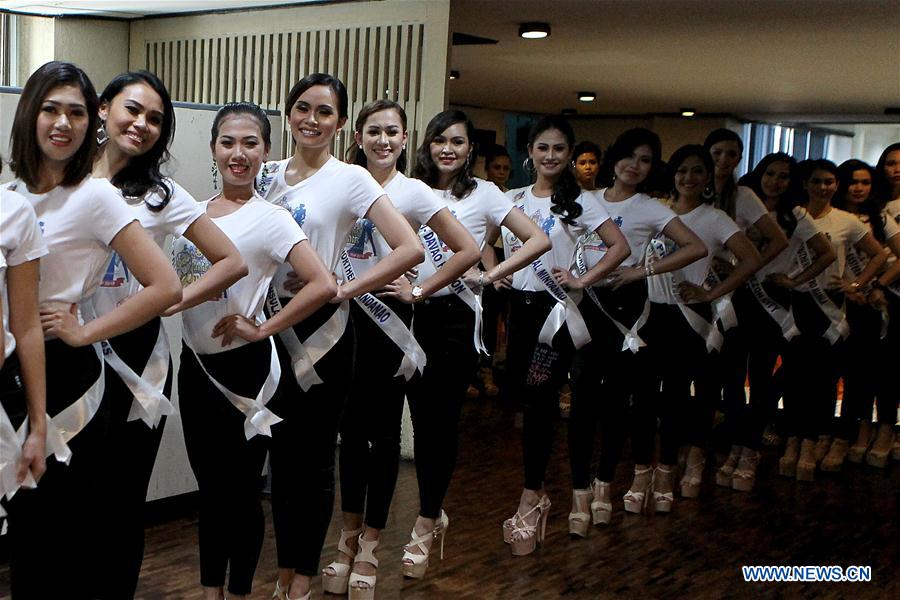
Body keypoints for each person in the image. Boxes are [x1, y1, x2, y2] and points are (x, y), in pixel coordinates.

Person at [4, 60, 182, 597]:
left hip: (70, 376)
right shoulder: (12, 194)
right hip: (15, 374)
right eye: (51, 109)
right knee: (27, 538)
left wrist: (87, 331)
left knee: (69, 535)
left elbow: (165, 286)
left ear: (92, 122)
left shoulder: (96, 195)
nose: (63, 122)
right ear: (30, 114)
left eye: (76, 113)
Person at [257, 73, 423, 600]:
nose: (311, 119)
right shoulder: (264, 176)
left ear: (341, 123)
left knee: (312, 463)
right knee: (279, 464)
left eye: (324, 112)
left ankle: (303, 576)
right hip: (266, 329)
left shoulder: (351, 179)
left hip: (324, 334)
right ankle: (282, 572)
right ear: (288, 114)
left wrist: (346, 288)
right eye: (302, 108)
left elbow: (409, 248)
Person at [87, 70, 247, 599]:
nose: (142, 124)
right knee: (69, 499)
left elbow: (230, 260)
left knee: (122, 500)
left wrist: (170, 299)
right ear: (104, 107)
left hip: (137, 358)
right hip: (70, 348)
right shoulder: (61, 180)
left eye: (156, 119)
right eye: (132, 110)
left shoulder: (161, 194)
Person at [174, 102, 336, 600]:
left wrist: (264, 328)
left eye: (250, 143)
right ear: (214, 149)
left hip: (246, 374)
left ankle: (240, 591)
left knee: (242, 495)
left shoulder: (271, 218)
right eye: (228, 142)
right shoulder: (192, 214)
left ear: (265, 153)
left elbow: (322, 283)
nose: (237, 153)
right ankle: (209, 591)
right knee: (211, 493)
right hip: (195, 369)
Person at [322, 100, 479, 600]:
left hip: (390, 327)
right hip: (341, 321)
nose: (383, 141)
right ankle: (346, 538)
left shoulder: (414, 191)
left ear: (406, 139)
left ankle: (371, 542)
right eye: (374, 131)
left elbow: (468, 250)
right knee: (349, 431)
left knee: (385, 435)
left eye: (392, 132)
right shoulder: (341, 179)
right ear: (358, 135)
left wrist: (421, 289)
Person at [401, 108, 550, 575]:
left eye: (459, 142)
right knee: (397, 424)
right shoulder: (408, 190)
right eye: (441, 139)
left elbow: (536, 239)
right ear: (426, 144)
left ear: (471, 150)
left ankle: (427, 519)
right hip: (397, 315)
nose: (448, 148)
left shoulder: (486, 194)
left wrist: (490, 274)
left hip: (451, 320)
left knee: (435, 427)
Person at [494, 116, 630, 554]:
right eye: (542, 148)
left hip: (557, 315)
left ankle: (532, 495)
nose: (550, 156)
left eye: (559, 148)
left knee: (540, 403)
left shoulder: (582, 202)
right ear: (529, 152)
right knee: (522, 397)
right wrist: (493, 271)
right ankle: (538, 490)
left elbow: (619, 247)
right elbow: (487, 239)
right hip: (519, 309)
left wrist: (583, 279)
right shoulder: (512, 198)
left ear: (569, 154)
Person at [567, 128, 706, 529]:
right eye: (629, 156)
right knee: (580, 405)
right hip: (583, 305)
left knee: (615, 404)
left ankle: (605, 484)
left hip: (627, 312)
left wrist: (641, 270)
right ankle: (578, 491)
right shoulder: (583, 199)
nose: (635, 166)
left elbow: (695, 248)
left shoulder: (652, 208)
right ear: (614, 158)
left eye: (645, 160)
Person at [628, 145, 761, 513]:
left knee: (674, 399)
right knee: (641, 399)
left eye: (697, 171)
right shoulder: (656, 210)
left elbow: (751, 259)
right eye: (682, 170)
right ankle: (641, 471)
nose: (689, 178)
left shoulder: (715, 218)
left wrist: (712, 292)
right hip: (649, 313)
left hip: (688, 317)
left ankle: (667, 470)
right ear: (672, 173)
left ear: (707, 178)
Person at [723, 153, 834, 490]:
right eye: (770, 174)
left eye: (784, 176)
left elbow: (825, 252)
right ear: (759, 175)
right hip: (737, 295)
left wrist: (797, 280)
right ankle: (734, 444)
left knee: (760, 378)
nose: (775, 181)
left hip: (770, 300)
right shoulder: (740, 206)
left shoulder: (795, 215)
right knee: (731, 378)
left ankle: (749, 450)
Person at [777, 160, 886, 482]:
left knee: (823, 380)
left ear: (835, 185)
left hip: (828, 306)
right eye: (816, 181)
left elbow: (879, 254)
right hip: (794, 302)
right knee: (794, 376)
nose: (822, 187)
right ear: (805, 184)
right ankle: (792, 441)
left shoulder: (846, 220)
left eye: (829, 181)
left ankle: (810, 444)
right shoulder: (792, 215)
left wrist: (857, 284)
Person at [702, 129, 788, 489]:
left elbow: (777, 239)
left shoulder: (744, 195)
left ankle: (747, 449)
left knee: (755, 375)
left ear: (739, 159)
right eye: (717, 152)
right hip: (705, 293)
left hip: (746, 298)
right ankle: (725, 445)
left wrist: (743, 267)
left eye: (732, 154)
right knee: (723, 377)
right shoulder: (697, 192)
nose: (723, 160)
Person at [828, 159, 899, 470]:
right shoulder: (829, 217)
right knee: (850, 372)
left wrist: (871, 284)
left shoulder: (881, 219)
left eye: (866, 182)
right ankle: (853, 429)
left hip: (874, 303)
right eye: (853, 181)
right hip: (838, 304)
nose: (859, 188)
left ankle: (882, 429)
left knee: (881, 369)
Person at [0, 163, 48, 574]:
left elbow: (27, 324)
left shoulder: (12, 210)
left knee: (26, 540)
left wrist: (38, 425)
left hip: (5, 395)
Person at [874, 143, 900, 463]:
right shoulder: (875, 205)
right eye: (891, 162)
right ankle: (883, 426)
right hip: (879, 291)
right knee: (884, 367)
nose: (896, 168)